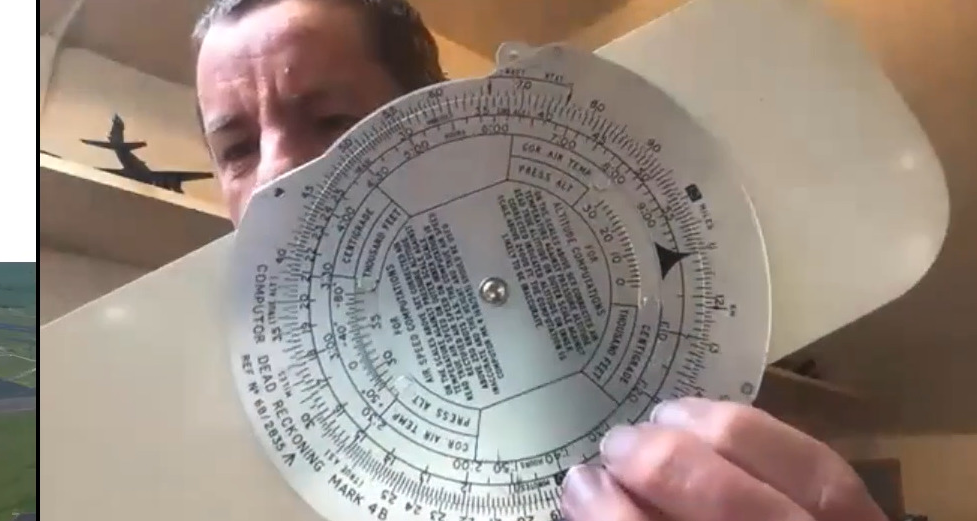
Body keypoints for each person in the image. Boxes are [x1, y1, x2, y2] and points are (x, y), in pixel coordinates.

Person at [190, 1, 888, 520]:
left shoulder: (681, 387)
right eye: (238, 150)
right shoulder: (207, 452)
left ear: (435, 114)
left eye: (332, 121)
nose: (276, 175)